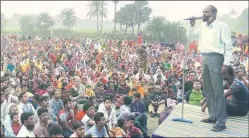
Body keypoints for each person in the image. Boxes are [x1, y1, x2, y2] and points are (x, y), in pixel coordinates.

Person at [188, 5, 233, 132]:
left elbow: (228, 46)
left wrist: (226, 63)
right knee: (207, 90)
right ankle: (213, 116)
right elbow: (191, 38)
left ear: (214, 13)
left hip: (217, 58)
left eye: (206, 12)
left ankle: (221, 121)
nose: (203, 14)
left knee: (218, 91)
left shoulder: (222, 26)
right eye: (203, 12)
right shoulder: (202, 26)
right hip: (204, 58)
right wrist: (192, 25)